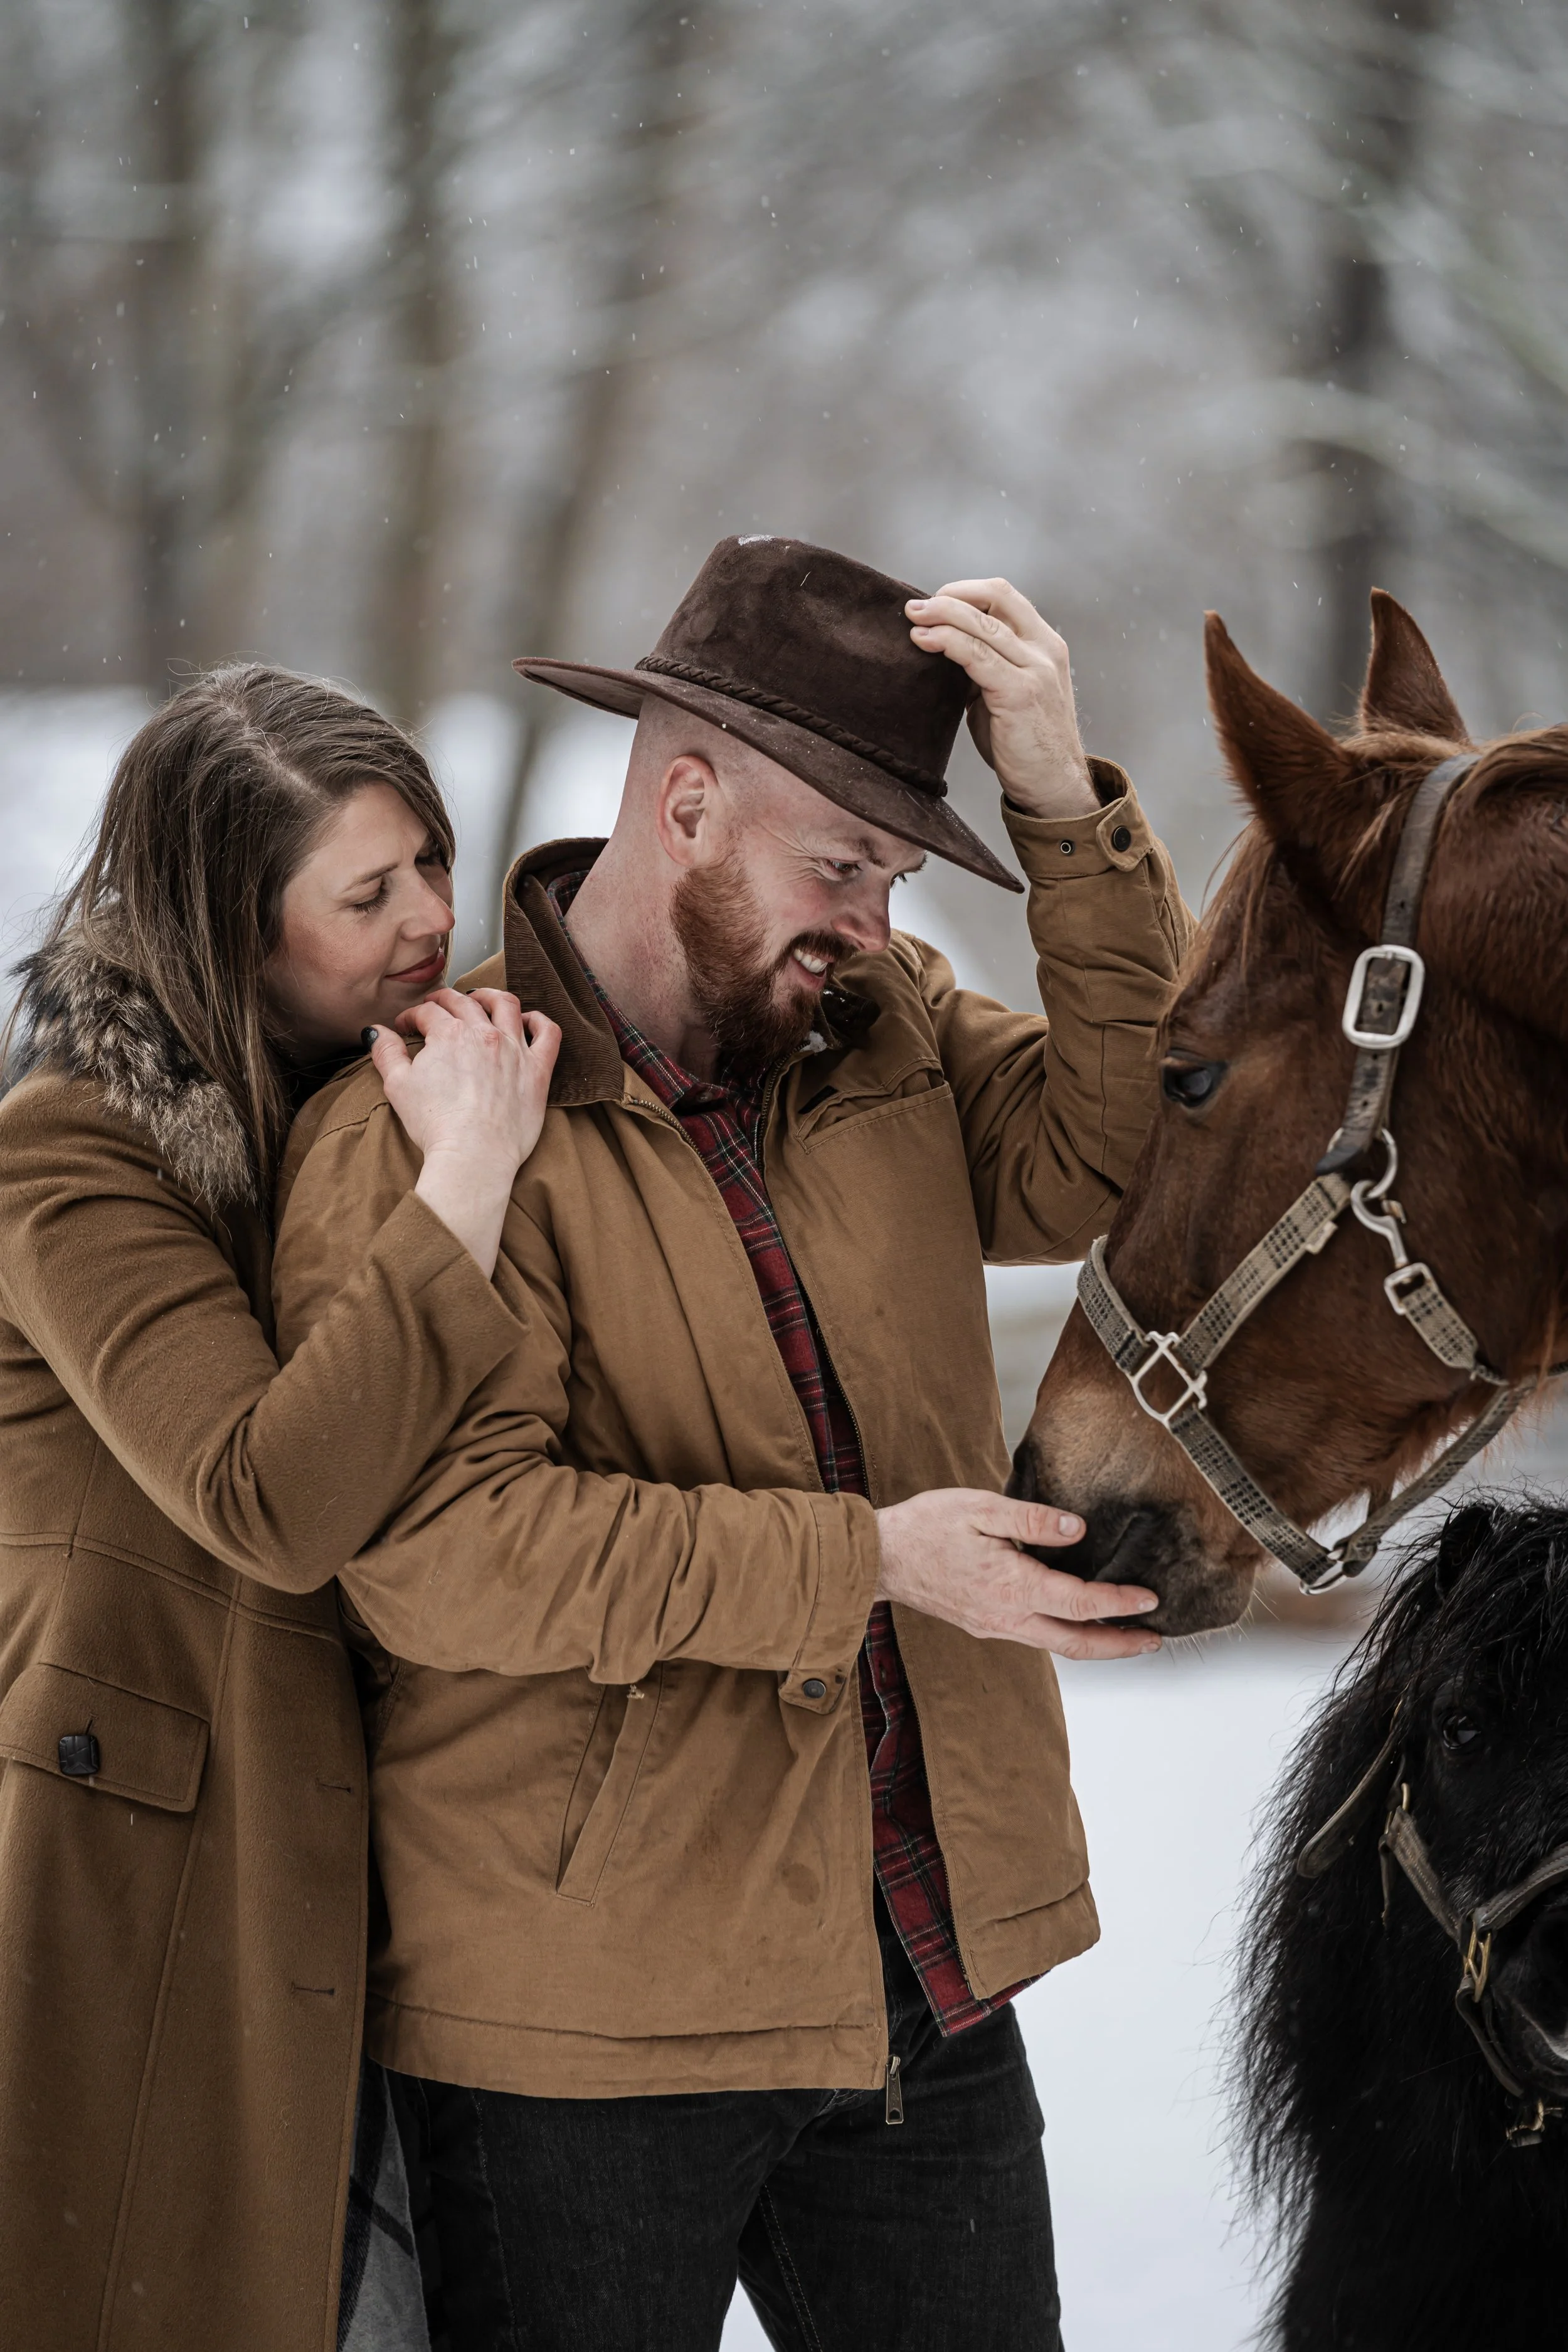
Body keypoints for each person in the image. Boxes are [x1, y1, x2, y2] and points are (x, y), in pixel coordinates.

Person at [274, 536, 1195, 2351]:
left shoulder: (887, 1033)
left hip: (913, 1987)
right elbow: (437, 1548)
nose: (874, 917)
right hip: (580, 2027)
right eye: (841, 862)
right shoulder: (432, 1115)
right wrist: (867, 1561)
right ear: (684, 804)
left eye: (896, 872)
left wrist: (1057, 799)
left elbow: (1121, 1138)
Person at [0, 664, 559, 2352]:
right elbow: (271, 1496)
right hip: (146, 1861)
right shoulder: (67, 1158)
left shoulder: (361, 1101)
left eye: (434, 866)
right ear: (232, 933)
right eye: (365, 891)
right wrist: (463, 1180)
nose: (429, 921)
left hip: (392, 1851)